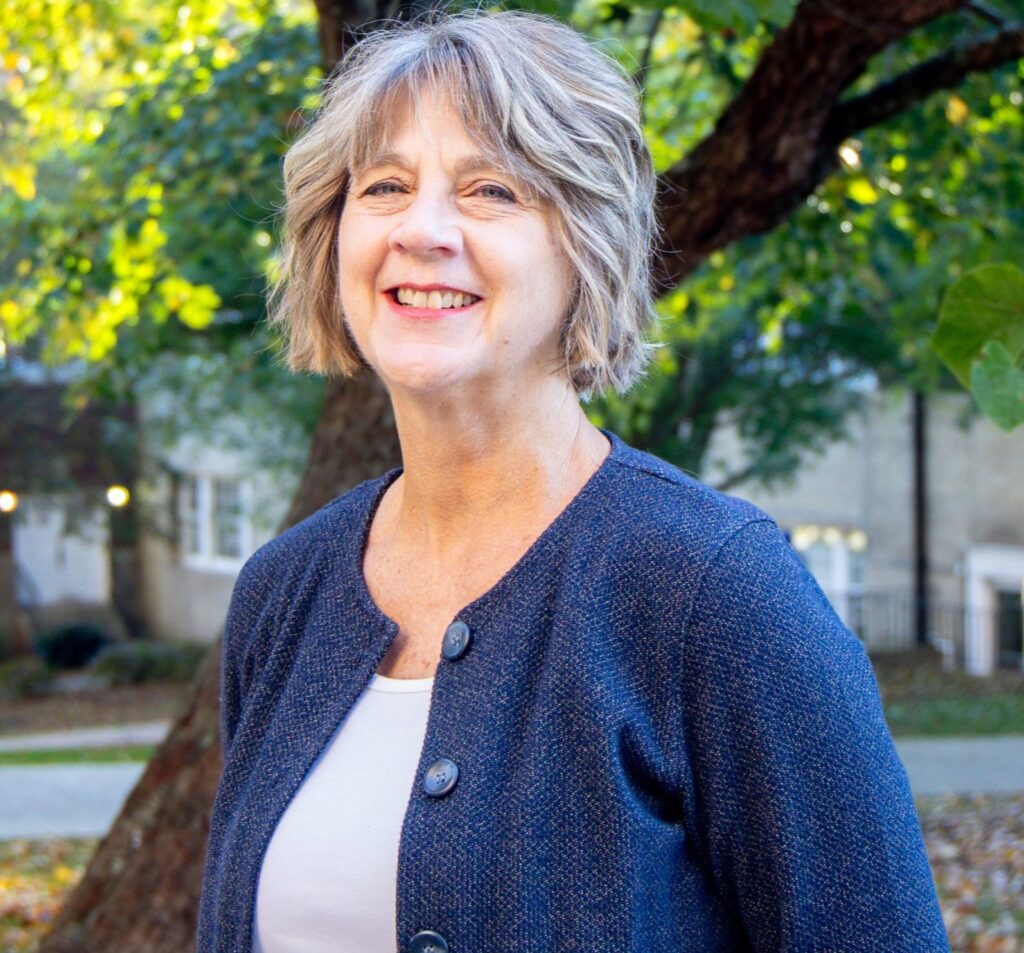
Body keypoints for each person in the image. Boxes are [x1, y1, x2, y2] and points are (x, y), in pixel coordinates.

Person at [196, 7, 950, 952]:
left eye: (491, 190)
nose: (422, 230)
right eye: (384, 186)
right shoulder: (282, 594)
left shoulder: (716, 594)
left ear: (587, 243)